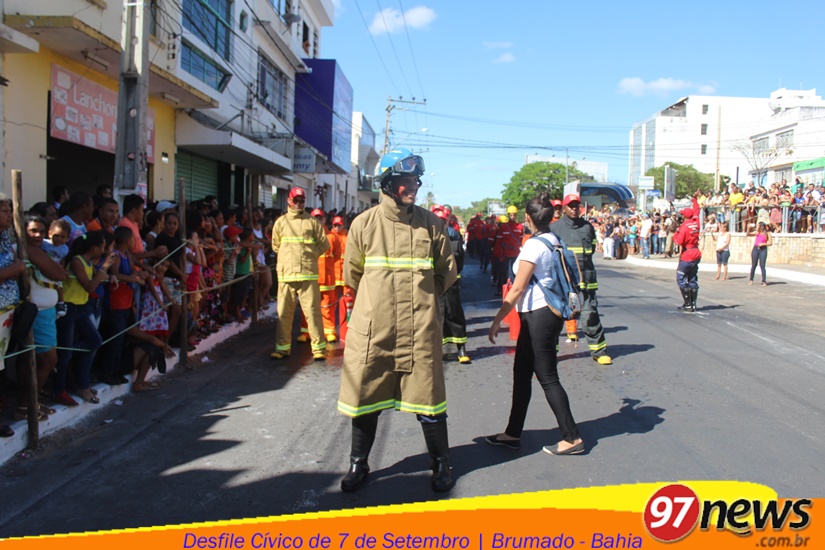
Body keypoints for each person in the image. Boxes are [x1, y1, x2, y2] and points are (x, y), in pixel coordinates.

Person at [337, 148, 457, 493]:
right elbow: (353, 275)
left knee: (430, 401)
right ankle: (358, 464)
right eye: (406, 180)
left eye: (416, 180)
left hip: (420, 328)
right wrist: (376, 302)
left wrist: (423, 298)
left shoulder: (432, 224)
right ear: (388, 183)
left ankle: (441, 464)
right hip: (376, 330)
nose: (413, 186)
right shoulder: (364, 224)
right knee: (365, 399)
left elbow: (446, 273)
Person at [486, 193, 584, 456]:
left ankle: (572, 437)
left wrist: (497, 319)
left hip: (540, 316)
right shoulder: (554, 239)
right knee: (521, 374)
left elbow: (517, 288)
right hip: (542, 315)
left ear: (528, 218)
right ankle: (512, 433)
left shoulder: (533, 245)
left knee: (548, 377)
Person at [53, 231, 117, 406]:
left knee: (94, 341)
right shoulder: (77, 261)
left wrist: (107, 273)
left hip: (81, 308)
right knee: (66, 354)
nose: (104, 250)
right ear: (95, 249)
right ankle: (59, 390)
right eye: (102, 247)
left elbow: (99, 278)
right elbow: (89, 287)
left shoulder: (89, 263)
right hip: (69, 308)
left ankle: (81, 383)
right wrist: (104, 269)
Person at [550, 194, 612, 365]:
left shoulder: (587, 227)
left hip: (586, 281)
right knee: (556, 319)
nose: (574, 209)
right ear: (564, 208)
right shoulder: (555, 228)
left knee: (590, 316)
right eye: (570, 206)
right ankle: (550, 354)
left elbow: (591, 250)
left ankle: (599, 352)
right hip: (565, 283)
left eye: (576, 206)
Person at [270, 187, 330, 361]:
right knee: (284, 313)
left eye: (302, 200)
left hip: (307, 274)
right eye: (296, 200)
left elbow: (324, 245)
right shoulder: (281, 222)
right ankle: (282, 348)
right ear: (289, 200)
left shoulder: (312, 222)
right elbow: (276, 246)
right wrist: (288, 257)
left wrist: (310, 255)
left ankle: (318, 349)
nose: (299, 203)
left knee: (313, 313)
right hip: (286, 275)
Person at [18, 215, 67, 422]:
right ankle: (24, 405)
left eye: (40, 231)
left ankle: (32, 402)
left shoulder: (42, 250)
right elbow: (60, 274)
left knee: (38, 360)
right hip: (36, 312)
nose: (37, 235)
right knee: (48, 360)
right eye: (32, 231)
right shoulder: (28, 250)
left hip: (46, 311)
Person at [432, 205, 470, 364]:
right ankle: (436, 351)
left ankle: (461, 349)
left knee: (454, 314)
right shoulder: (426, 241)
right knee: (434, 318)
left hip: (451, 285)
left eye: (443, 221)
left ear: (448, 222)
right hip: (432, 287)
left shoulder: (454, 241)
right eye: (438, 221)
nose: (441, 224)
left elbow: (460, 263)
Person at [673, 194, 702, 312]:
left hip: (687, 254)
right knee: (692, 277)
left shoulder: (684, 227)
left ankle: (688, 303)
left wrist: (676, 233)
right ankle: (693, 304)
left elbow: (679, 242)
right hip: (696, 252)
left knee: (681, 278)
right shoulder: (696, 222)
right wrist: (695, 200)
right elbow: (697, 210)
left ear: (684, 216)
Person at [748, 222, 773, 286]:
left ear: (762, 227)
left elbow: (770, 243)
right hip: (755, 249)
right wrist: (748, 228)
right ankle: (751, 279)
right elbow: (748, 234)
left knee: (762, 265)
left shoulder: (767, 233)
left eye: (758, 226)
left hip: (763, 249)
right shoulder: (757, 232)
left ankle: (764, 280)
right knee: (754, 265)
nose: (757, 227)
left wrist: (763, 244)